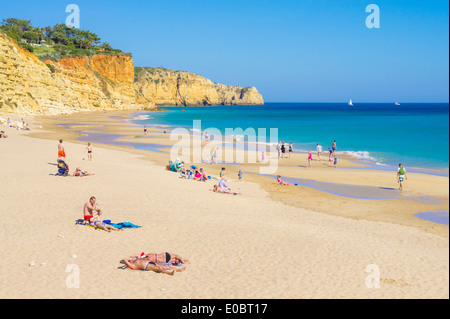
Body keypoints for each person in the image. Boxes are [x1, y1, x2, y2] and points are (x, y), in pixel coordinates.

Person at [122, 257, 186, 275]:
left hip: (150, 262)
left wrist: (131, 259)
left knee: (165, 266)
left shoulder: (134, 260)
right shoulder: (131, 264)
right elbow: (124, 259)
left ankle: (178, 270)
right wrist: (128, 261)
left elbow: (133, 257)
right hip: (146, 266)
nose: (130, 260)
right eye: (129, 261)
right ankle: (169, 273)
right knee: (158, 268)